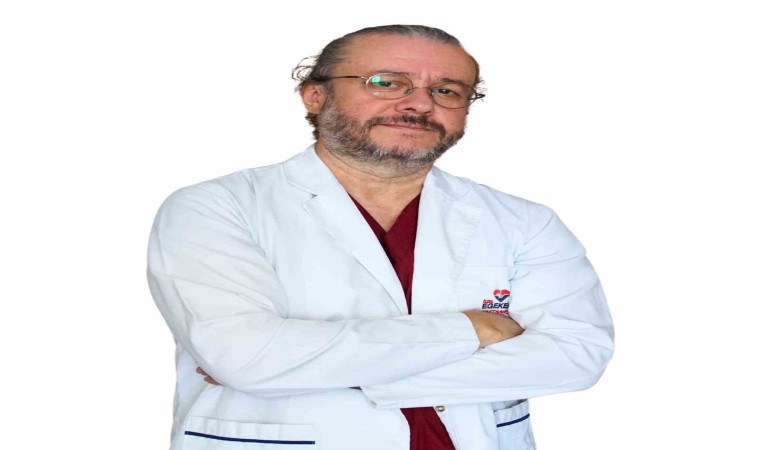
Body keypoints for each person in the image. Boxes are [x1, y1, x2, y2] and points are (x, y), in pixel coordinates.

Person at [147, 24, 614, 450]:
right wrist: (474, 329)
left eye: (447, 90)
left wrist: (313, 369)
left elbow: (576, 356)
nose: (419, 104)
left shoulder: (523, 220)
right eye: (386, 82)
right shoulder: (215, 207)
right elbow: (246, 357)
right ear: (314, 95)